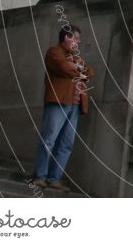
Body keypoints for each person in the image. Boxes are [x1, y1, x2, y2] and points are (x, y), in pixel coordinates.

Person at [30, 26, 95, 191]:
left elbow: (90, 73)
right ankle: (39, 176)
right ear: (66, 37)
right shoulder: (54, 52)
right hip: (59, 101)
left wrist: (77, 69)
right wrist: (78, 70)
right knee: (49, 139)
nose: (78, 42)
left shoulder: (75, 57)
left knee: (66, 143)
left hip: (75, 104)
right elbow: (64, 68)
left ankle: (54, 178)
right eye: (76, 38)